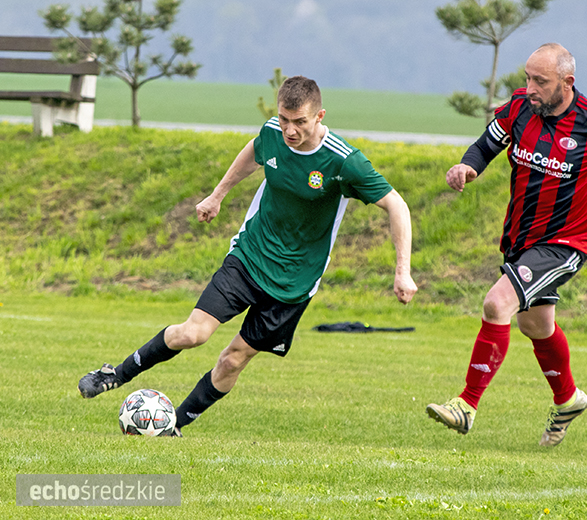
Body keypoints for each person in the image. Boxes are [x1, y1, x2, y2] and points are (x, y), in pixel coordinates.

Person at [78, 76, 418, 436]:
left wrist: (402, 272)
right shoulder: (273, 132)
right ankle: (115, 374)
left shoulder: (343, 160)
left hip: (294, 283)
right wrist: (217, 194)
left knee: (232, 361)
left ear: (319, 116)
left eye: (300, 122)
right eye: (284, 119)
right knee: (192, 334)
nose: (289, 130)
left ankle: (173, 425)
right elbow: (254, 153)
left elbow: (396, 205)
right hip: (250, 257)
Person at [426, 43, 587, 446]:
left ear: (567, 82)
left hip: (567, 242)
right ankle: (569, 398)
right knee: (535, 324)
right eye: (527, 78)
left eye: (540, 81)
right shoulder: (521, 108)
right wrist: (467, 166)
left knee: (497, 303)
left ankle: (466, 405)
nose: (530, 87)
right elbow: (486, 145)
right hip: (521, 239)